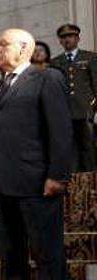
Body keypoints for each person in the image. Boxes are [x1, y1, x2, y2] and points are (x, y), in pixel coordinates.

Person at [0, 29, 72, 280]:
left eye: (3, 45)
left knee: (46, 252)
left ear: (24, 49)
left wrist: (57, 175)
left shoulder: (46, 79)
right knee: (11, 255)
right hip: (1, 185)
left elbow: (60, 131)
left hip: (37, 182)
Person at [50, 23, 97, 172]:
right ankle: (73, 188)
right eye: (63, 37)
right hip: (65, 114)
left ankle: (91, 187)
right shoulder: (55, 62)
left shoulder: (90, 57)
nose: (67, 40)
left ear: (78, 38)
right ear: (60, 41)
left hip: (86, 113)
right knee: (70, 153)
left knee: (89, 151)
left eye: (70, 36)